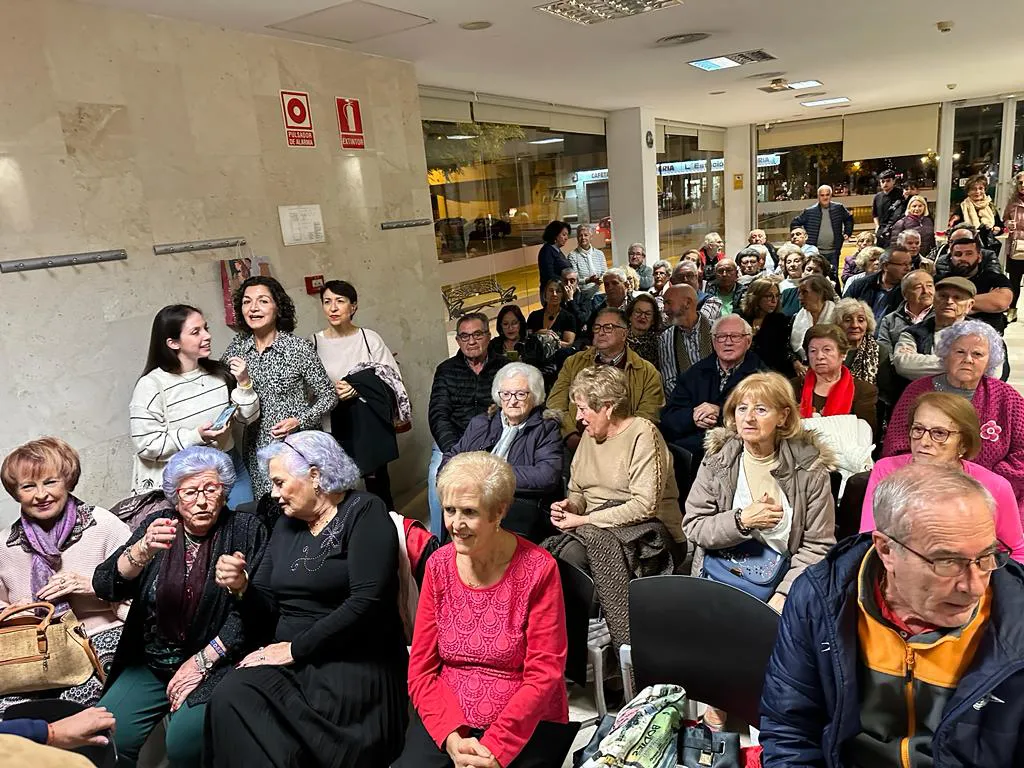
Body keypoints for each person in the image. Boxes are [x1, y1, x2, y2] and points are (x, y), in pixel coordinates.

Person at [760, 465, 1024, 767]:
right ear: (886, 550)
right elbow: (790, 730)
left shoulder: (1016, 618)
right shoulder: (820, 601)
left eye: (985, 557)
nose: (974, 586)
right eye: (948, 561)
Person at [206, 431, 408, 767]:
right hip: (292, 661)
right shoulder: (287, 526)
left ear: (315, 476)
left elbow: (367, 603)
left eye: (280, 482)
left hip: (351, 659)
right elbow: (266, 611)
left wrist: (294, 649)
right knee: (230, 696)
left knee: (277, 738)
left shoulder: (364, 511)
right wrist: (242, 587)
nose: (274, 494)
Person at [93, 446, 267, 768]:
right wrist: (141, 551)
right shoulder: (159, 524)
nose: (201, 501)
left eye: (210, 489)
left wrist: (241, 586)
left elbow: (256, 615)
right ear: (175, 496)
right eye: (190, 492)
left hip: (217, 662)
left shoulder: (246, 530)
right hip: (153, 661)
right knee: (108, 736)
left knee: (184, 745)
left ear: (224, 490)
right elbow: (104, 585)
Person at [395, 452, 569, 768]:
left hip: (524, 717)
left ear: (499, 511)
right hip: (449, 714)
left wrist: (494, 749)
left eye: (470, 512)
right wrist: (451, 736)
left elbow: (545, 673)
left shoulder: (539, 569)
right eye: (449, 510)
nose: (455, 525)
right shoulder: (438, 566)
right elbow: (420, 667)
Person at [545, 366, 683, 649]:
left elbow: (644, 506)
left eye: (583, 409)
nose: (579, 418)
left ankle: (610, 646)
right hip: (598, 527)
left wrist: (583, 521)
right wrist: (571, 506)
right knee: (551, 559)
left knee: (571, 557)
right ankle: (573, 644)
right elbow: (579, 489)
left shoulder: (643, 434)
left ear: (607, 407)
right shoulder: (590, 435)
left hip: (651, 534)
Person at [683, 372, 836, 613]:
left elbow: (817, 546)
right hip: (719, 578)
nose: (749, 418)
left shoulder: (809, 469)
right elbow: (695, 526)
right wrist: (741, 521)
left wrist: (784, 594)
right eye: (742, 409)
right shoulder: (719, 461)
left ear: (783, 417)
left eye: (761, 410)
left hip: (782, 586)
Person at [0, 438, 130, 714]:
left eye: (50, 482)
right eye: (28, 486)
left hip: (99, 641)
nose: (40, 495)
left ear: (68, 481)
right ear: (15, 493)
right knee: (9, 717)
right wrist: (13, 613)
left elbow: (147, 594)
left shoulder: (103, 525)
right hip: (34, 654)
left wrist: (93, 586)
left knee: (68, 711)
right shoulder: (5, 546)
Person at [860, 392, 1024, 561]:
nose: (924, 441)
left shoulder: (995, 486)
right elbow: (868, 540)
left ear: (963, 443)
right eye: (918, 429)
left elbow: (1016, 552)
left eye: (939, 433)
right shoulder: (886, 470)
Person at [885, 319, 1024, 506]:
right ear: (945, 354)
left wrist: (993, 480)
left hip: (989, 494)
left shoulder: (1008, 398)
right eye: (960, 352)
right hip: (922, 490)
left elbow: (1021, 453)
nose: (968, 359)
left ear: (990, 360)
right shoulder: (917, 390)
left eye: (977, 354)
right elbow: (896, 445)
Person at [130, 305, 259, 506]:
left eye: (206, 328)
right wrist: (196, 436)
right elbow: (146, 444)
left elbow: (248, 417)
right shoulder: (152, 385)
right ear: (173, 343)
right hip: (187, 479)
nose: (207, 336)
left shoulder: (218, 374)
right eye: (196, 332)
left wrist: (244, 382)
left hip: (229, 464)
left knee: (247, 524)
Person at [222, 276, 337, 499]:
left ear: (277, 307)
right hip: (257, 449)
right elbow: (221, 388)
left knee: (307, 508)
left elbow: (328, 395)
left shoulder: (297, 348)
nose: (253, 308)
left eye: (263, 301)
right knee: (269, 511)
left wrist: (299, 421)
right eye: (246, 302)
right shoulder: (237, 348)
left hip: (298, 447)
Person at [311, 279, 407, 509]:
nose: (333, 308)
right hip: (331, 426)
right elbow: (307, 387)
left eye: (340, 301)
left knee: (378, 485)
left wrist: (359, 387)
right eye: (327, 302)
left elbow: (392, 378)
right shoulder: (313, 343)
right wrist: (328, 389)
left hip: (368, 424)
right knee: (338, 488)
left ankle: (386, 530)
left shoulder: (369, 338)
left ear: (353, 307)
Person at [441, 363, 563, 543]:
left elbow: (547, 475)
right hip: (470, 501)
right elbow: (450, 458)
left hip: (514, 508)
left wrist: (489, 476)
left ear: (535, 395)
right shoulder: (481, 423)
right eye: (506, 394)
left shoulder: (546, 428)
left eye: (521, 394)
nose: (512, 401)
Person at [428, 313, 506, 537]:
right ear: (458, 341)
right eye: (464, 336)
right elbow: (438, 414)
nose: (471, 341)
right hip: (453, 441)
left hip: (491, 440)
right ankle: (438, 542)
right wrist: (455, 451)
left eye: (477, 334)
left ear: (488, 336)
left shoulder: (505, 367)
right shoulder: (446, 369)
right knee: (438, 481)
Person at [547, 307, 665, 443]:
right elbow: (555, 403)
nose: (601, 333)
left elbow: (647, 417)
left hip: (624, 446)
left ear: (624, 334)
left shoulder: (647, 372)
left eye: (608, 328)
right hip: (574, 441)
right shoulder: (573, 362)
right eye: (597, 327)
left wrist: (615, 442)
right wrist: (569, 435)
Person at [660, 315, 764, 459]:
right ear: (714, 342)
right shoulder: (694, 373)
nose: (728, 342)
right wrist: (693, 417)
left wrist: (720, 413)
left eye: (735, 336)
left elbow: (763, 418)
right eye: (721, 337)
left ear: (748, 341)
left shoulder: (762, 377)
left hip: (742, 452)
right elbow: (668, 418)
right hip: (692, 455)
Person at [792, 323, 878, 437]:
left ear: (843, 354)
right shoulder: (792, 387)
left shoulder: (863, 391)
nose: (819, 356)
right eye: (813, 351)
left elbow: (868, 435)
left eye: (827, 350)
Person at [892, 276, 974, 380]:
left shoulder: (983, 333)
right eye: (943, 296)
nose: (949, 301)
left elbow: (993, 371)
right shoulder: (913, 333)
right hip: (924, 393)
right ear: (934, 300)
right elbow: (902, 364)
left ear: (969, 305)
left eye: (957, 297)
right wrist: (961, 365)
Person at [938, 230, 1013, 333]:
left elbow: (1000, 303)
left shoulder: (994, 278)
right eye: (958, 254)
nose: (963, 258)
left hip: (987, 337)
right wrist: (983, 304)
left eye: (969, 254)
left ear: (979, 257)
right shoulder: (941, 281)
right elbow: (929, 304)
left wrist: (950, 304)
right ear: (951, 258)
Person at [658, 284, 714, 393]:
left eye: (668, 303)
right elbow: (669, 382)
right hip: (686, 403)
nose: (665, 309)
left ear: (687, 303)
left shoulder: (718, 330)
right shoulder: (666, 338)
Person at [740, 278, 798, 376]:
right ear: (756, 297)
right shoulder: (740, 317)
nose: (774, 301)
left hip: (771, 373)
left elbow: (782, 351)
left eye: (777, 296)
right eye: (769, 296)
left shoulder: (780, 320)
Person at [790, 185, 854, 273]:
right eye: (822, 195)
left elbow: (848, 218)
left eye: (827, 195)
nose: (825, 197)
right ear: (818, 196)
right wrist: (800, 237)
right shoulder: (809, 212)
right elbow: (795, 223)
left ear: (831, 195)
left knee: (833, 275)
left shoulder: (839, 208)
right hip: (814, 252)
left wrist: (848, 232)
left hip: (834, 251)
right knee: (815, 277)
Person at [834, 299, 891, 394]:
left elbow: (886, 392)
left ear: (868, 324)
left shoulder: (879, 350)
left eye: (861, 320)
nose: (855, 325)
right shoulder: (829, 349)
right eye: (847, 320)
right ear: (837, 324)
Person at [843, 245, 912, 321]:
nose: (908, 268)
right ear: (885, 266)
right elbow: (843, 311)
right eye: (903, 264)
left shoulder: (910, 290)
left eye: (909, 264)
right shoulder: (860, 285)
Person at [877, 270, 934, 354]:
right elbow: (885, 354)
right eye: (918, 287)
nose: (925, 291)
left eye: (929, 286)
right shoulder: (889, 321)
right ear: (905, 294)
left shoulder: (943, 316)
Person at [948, 173, 1003, 253]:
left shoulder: (990, 206)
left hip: (988, 248)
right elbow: (953, 227)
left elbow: (1000, 227)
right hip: (967, 248)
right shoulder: (962, 207)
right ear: (968, 192)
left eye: (981, 188)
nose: (978, 192)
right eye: (973, 189)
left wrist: (997, 230)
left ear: (985, 190)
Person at [790, 274, 837, 363]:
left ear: (820, 293)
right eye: (799, 293)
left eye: (804, 292)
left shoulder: (838, 317)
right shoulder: (797, 317)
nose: (799, 297)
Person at [527, 279, 577, 351]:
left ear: (563, 295)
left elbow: (568, 344)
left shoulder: (568, 318)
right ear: (545, 293)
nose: (554, 294)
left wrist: (549, 340)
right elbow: (527, 339)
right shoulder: (534, 316)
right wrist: (537, 335)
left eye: (558, 291)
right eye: (551, 291)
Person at [1003, 170, 1024, 322]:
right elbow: (1004, 220)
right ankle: (1012, 310)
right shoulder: (1012, 202)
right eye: (1020, 182)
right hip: (1016, 247)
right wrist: (1007, 225)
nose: (1023, 185)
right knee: (1014, 281)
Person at [566, 223, 605, 299]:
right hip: (583, 296)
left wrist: (600, 279)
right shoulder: (572, 256)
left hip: (599, 293)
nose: (583, 237)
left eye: (586, 235)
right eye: (580, 235)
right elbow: (574, 280)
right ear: (577, 238)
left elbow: (605, 273)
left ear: (591, 237)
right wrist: (588, 280)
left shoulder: (599, 254)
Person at [625, 293, 662, 367]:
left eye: (647, 314)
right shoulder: (619, 337)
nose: (642, 316)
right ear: (630, 316)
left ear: (653, 320)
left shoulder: (660, 343)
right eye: (638, 312)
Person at [872, 169, 906, 247]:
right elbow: (875, 214)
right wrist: (877, 226)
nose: (885, 183)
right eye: (882, 181)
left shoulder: (901, 194)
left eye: (888, 181)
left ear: (893, 181)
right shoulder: (877, 197)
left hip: (897, 230)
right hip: (881, 230)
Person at [537, 220, 572, 288]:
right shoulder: (547, 251)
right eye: (564, 235)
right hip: (552, 292)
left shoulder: (556, 250)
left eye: (567, 235)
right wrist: (566, 281)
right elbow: (549, 275)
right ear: (555, 235)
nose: (566, 238)